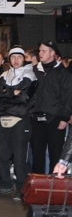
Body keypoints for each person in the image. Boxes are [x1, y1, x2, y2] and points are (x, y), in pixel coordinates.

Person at [0, 46, 36, 199]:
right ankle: (5, 185)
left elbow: (24, 98)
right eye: (13, 57)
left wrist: (6, 94)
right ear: (9, 59)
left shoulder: (30, 75)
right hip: (4, 119)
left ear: (24, 59)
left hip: (21, 120)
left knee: (19, 156)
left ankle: (22, 188)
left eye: (19, 57)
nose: (16, 60)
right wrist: (13, 93)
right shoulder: (4, 75)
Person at [30, 41, 72, 174]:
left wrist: (64, 117)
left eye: (43, 51)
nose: (40, 53)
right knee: (37, 155)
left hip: (55, 118)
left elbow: (68, 96)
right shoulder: (35, 70)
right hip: (36, 118)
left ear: (52, 53)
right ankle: (37, 187)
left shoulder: (62, 73)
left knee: (56, 154)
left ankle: (55, 186)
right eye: (40, 51)